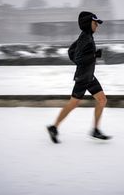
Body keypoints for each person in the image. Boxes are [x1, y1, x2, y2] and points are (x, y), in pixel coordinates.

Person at [47, 11, 112, 144]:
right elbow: (78, 57)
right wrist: (94, 55)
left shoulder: (86, 36)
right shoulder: (85, 38)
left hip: (89, 76)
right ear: (89, 23)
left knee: (102, 100)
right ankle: (54, 127)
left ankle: (95, 130)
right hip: (83, 77)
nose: (97, 26)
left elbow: (71, 51)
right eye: (95, 23)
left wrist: (89, 57)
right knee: (73, 104)